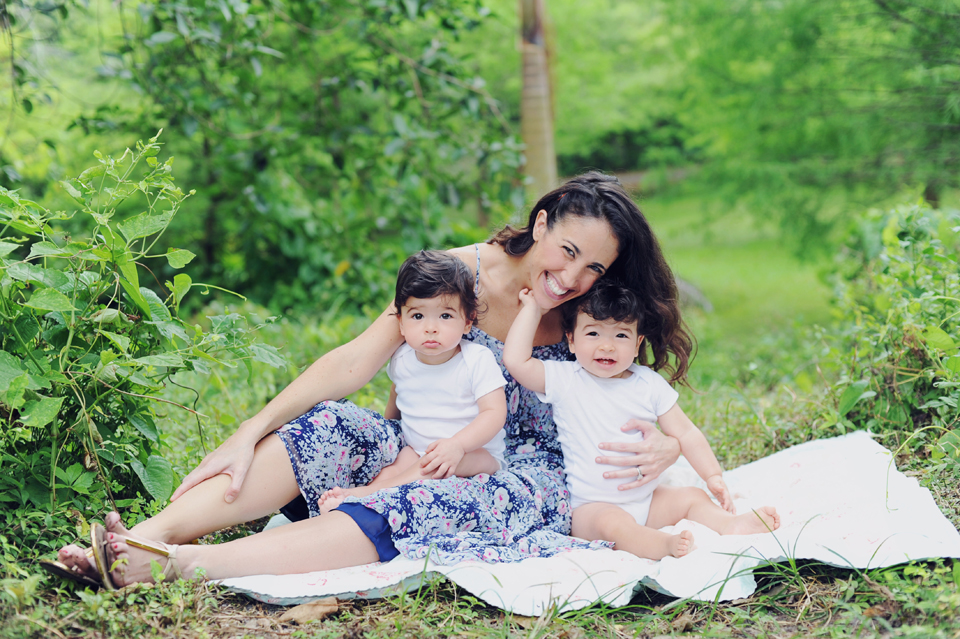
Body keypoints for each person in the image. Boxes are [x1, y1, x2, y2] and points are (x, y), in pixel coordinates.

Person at [54, 172, 695, 589]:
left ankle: (178, 568)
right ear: (542, 222)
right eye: (570, 251)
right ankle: (143, 537)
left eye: (595, 267)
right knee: (328, 427)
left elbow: (634, 386)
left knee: (417, 499)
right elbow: (354, 363)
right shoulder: (454, 275)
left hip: (523, 474)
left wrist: (667, 447)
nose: (573, 276)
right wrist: (252, 427)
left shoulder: (593, 307)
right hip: (418, 438)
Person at [503, 281, 780, 560]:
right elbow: (516, 362)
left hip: (648, 500)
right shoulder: (566, 379)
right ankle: (661, 545)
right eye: (593, 333)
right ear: (572, 340)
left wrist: (713, 475)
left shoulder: (648, 384)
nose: (607, 345)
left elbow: (686, 433)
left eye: (621, 336)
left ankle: (730, 524)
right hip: (593, 507)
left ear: (637, 344)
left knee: (692, 497)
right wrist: (533, 310)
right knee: (615, 525)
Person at [316, 250, 507, 513]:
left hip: (475, 454)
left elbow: (495, 413)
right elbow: (398, 395)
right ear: (401, 323)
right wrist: (389, 428)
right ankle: (364, 502)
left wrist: (458, 445)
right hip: (417, 448)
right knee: (393, 470)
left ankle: (366, 495)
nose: (431, 327)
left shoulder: (476, 360)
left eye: (445, 316)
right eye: (418, 316)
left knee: (434, 466)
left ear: (467, 321)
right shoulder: (402, 358)